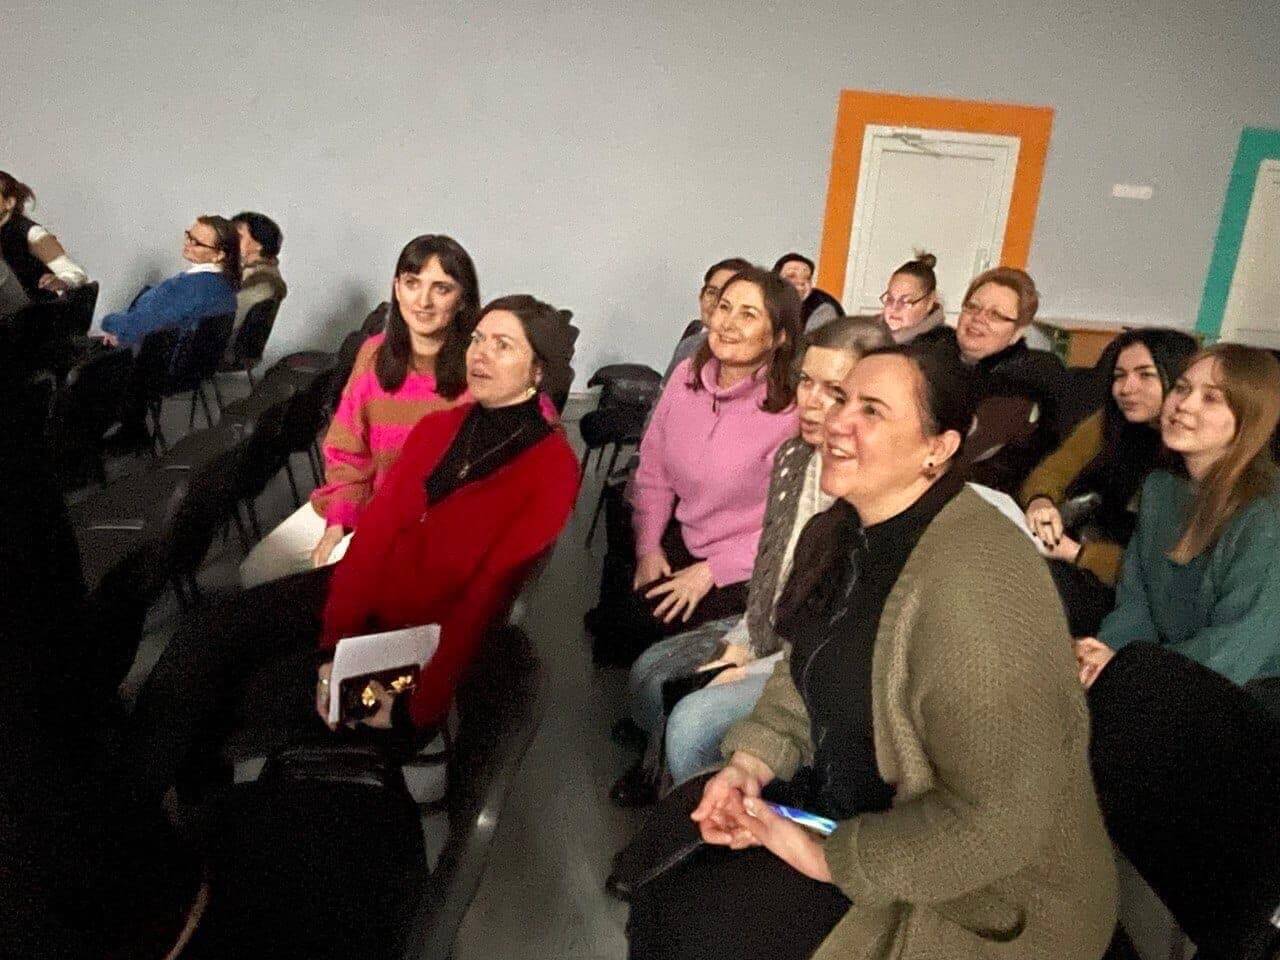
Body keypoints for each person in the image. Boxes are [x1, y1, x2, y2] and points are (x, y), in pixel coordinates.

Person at [627, 342, 1117, 960]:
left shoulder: (977, 583)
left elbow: (1000, 820)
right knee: (668, 876)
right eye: (840, 400)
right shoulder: (842, 530)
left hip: (988, 899)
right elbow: (805, 672)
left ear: (938, 448)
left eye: (871, 411)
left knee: (699, 932)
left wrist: (822, 856)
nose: (836, 421)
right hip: (857, 813)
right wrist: (750, 764)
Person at [128, 295, 580, 802]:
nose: (480, 353)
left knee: (239, 701)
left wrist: (418, 707)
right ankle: (135, 805)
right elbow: (375, 538)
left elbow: (483, 606)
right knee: (207, 634)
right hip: (363, 594)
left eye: (503, 345)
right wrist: (333, 645)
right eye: (478, 339)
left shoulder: (552, 468)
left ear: (538, 370)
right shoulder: (441, 428)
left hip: (416, 656)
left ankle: (180, 816)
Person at [616, 318, 893, 805]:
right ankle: (663, 774)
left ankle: (699, 820)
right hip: (770, 624)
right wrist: (743, 642)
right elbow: (773, 571)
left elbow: (841, 631)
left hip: (820, 661)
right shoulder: (796, 458)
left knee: (694, 720)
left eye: (834, 391)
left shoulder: (871, 489)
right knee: (648, 671)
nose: (810, 402)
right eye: (806, 381)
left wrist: (753, 663)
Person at [239, 234, 480, 588]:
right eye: (412, 283)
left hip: (429, 524)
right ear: (397, 288)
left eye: (441, 288)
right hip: (367, 498)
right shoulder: (374, 354)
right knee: (258, 571)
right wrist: (340, 518)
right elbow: (348, 449)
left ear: (462, 300)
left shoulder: (480, 369)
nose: (423, 301)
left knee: (336, 581)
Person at [591, 266, 800, 667]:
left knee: (665, 655)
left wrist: (712, 571)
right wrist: (648, 545)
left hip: (748, 563)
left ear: (779, 337)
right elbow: (653, 470)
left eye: (748, 314)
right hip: (686, 534)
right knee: (619, 627)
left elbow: (791, 524)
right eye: (724, 307)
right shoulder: (686, 377)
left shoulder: (791, 411)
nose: (728, 323)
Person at [1075, 343, 1280, 689]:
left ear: (1250, 418)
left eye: (1211, 398)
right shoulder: (1159, 489)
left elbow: (1235, 649)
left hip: (1247, 693)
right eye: (1182, 388)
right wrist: (1105, 656)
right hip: (1164, 673)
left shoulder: (1267, 514)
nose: (1184, 405)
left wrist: (1126, 669)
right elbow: (1135, 602)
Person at [1021, 328, 1197, 634]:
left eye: (1145, 375)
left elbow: (1160, 575)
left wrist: (1078, 554)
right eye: (1119, 376)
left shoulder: (1193, 457)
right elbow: (1054, 470)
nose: (1127, 388)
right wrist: (1041, 501)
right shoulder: (1111, 421)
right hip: (1073, 552)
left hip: (1123, 594)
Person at [927, 265, 1068, 494]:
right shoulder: (933, 357)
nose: (978, 318)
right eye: (973, 307)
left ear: (1017, 332)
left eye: (995, 315)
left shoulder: (1021, 386)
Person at [99, 215, 240, 348]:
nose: (187, 244)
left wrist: (108, 322)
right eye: (188, 236)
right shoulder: (224, 287)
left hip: (147, 355)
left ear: (219, 255)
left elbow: (139, 327)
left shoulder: (190, 287)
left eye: (196, 242)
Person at [0, 170, 89, 299]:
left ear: (9, 203)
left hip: (36, 307)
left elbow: (75, 273)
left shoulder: (30, 233)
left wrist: (59, 281)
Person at [664, 257, 752, 378]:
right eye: (712, 292)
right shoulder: (689, 344)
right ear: (701, 296)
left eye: (727, 295)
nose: (716, 302)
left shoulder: (752, 358)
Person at [230, 210, 288, 332]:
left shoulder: (265, 282)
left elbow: (227, 320)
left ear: (259, 244)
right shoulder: (244, 272)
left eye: (239, 237)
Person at [877, 251, 945, 343]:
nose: (894, 308)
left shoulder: (941, 345)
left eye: (905, 301)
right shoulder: (868, 334)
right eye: (890, 299)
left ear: (929, 302)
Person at [773, 252, 844, 331]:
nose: (801, 282)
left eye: (807, 278)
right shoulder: (765, 303)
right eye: (791, 276)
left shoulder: (823, 310)